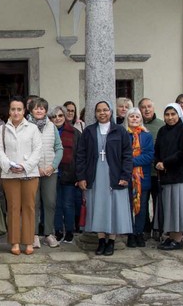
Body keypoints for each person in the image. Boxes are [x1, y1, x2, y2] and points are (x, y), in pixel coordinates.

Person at [75, 101, 133, 256]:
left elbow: (127, 155)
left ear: (111, 112)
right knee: (98, 207)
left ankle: (111, 241)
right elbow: (80, 156)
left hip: (114, 175)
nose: (102, 113)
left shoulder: (120, 131)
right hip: (95, 176)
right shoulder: (88, 131)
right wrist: (81, 177)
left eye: (105, 110)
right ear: (95, 113)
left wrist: (125, 175)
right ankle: (101, 240)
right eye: (99, 111)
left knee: (113, 207)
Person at [0, 97, 42, 256]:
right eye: (13, 109)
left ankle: (28, 241)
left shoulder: (33, 129)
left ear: (24, 111)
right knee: (13, 208)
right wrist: (9, 165)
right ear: (9, 111)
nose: (16, 112)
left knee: (29, 207)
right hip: (10, 175)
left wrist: (25, 166)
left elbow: (38, 151)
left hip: (29, 173)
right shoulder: (2, 129)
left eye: (19, 109)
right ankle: (15, 242)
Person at [154, 103, 183, 250]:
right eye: (167, 114)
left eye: (173, 114)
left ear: (178, 114)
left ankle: (178, 239)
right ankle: (171, 236)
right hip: (166, 176)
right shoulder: (162, 131)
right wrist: (158, 162)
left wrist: (165, 163)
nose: (170, 117)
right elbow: (157, 149)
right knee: (170, 208)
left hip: (180, 175)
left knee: (178, 208)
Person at [29, 98, 63, 248]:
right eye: (36, 108)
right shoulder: (26, 126)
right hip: (33, 172)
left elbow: (59, 148)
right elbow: (24, 150)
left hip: (50, 171)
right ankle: (34, 234)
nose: (39, 110)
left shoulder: (52, 127)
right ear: (31, 111)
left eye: (42, 108)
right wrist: (36, 167)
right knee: (33, 204)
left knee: (50, 202)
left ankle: (49, 233)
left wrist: (52, 166)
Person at [123, 108, 154, 248]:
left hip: (142, 177)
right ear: (127, 119)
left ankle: (139, 233)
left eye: (137, 116)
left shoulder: (147, 136)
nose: (134, 119)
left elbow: (149, 155)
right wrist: (128, 164)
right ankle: (130, 234)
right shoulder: (123, 135)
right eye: (131, 116)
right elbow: (120, 154)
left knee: (141, 207)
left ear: (141, 119)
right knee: (128, 206)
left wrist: (131, 162)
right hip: (126, 176)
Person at [50, 106, 81, 243]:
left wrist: (79, 175)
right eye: (54, 116)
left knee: (68, 204)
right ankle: (57, 230)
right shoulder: (47, 132)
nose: (57, 119)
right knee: (56, 204)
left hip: (70, 173)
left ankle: (69, 230)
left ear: (65, 117)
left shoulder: (75, 133)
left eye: (60, 116)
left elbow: (80, 155)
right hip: (52, 173)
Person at [138, 97, 164, 240]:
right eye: (143, 107)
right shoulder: (136, 125)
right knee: (142, 203)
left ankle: (157, 229)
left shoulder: (161, 125)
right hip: (141, 172)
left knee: (157, 202)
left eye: (149, 106)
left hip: (157, 173)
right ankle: (144, 229)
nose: (147, 109)